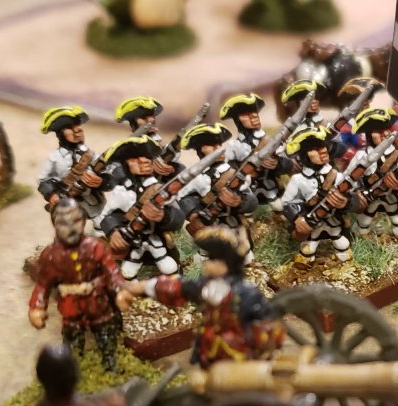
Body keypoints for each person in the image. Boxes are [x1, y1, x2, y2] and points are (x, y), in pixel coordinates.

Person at [126, 227, 284, 368]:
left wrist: (259, 348)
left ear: (225, 264)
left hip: (239, 357)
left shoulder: (246, 293)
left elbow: (265, 325)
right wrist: (145, 287)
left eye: (212, 260)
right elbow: (180, 288)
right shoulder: (207, 286)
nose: (206, 264)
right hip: (211, 350)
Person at [30, 199, 136, 372]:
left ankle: (110, 364)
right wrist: (37, 307)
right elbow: (43, 285)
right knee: (73, 343)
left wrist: (119, 290)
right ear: (55, 224)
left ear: (84, 221)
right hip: (71, 308)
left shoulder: (95, 247)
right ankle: (73, 369)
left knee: (106, 337)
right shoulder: (50, 256)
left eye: (76, 221)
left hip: (98, 303)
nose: (71, 228)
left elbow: (111, 270)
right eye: (63, 223)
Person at [97, 135, 189, 278]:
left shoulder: (160, 189)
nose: (144, 161)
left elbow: (179, 217)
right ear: (125, 164)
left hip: (157, 239)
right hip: (133, 242)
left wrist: (164, 216)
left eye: (147, 157)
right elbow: (108, 217)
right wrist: (114, 232)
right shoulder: (121, 192)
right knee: (128, 272)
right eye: (135, 158)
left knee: (169, 267)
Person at [175, 123, 258, 264]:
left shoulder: (233, 172)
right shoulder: (196, 176)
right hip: (209, 222)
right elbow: (183, 196)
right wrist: (193, 213)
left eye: (219, 144)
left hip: (231, 218)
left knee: (246, 254)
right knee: (205, 255)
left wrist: (240, 201)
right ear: (201, 149)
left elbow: (251, 199)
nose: (218, 149)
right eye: (212, 145)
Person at [281, 127, 363, 263]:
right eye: (315, 148)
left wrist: (345, 202)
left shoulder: (337, 176)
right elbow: (287, 203)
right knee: (307, 251)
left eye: (323, 146)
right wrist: (297, 218)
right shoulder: (298, 180)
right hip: (311, 224)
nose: (323, 150)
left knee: (342, 245)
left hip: (334, 222)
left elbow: (355, 197)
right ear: (304, 154)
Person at [351, 108, 398, 239]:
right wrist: (357, 192)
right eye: (378, 130)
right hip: (369, 198)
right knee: (363, 223)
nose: (385, 134)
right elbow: (351, 177)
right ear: (369, 134)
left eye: (387, 129)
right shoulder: (362, 155)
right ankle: (360, 238)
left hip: (390, 195)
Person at [219, 93, 287, 211]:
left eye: (255, 112)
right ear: (238, 120)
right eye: (246, 114)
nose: (254, 116)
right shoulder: (234, 147)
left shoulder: (268, 139)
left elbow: (287, 163)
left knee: (280, 206)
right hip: (248, 192)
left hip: (273, 188)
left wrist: (277, 163)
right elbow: (227, 174)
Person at [37, 105, 105, 215]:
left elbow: (108, 175)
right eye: (69, 127)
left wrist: (101, 182)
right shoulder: (54, 158)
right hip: (66, 206)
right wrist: (51, 194)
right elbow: (43, 181)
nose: (78, 129)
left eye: (78, 125)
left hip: (92, 205)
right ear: (60, 133)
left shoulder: (92, 155)